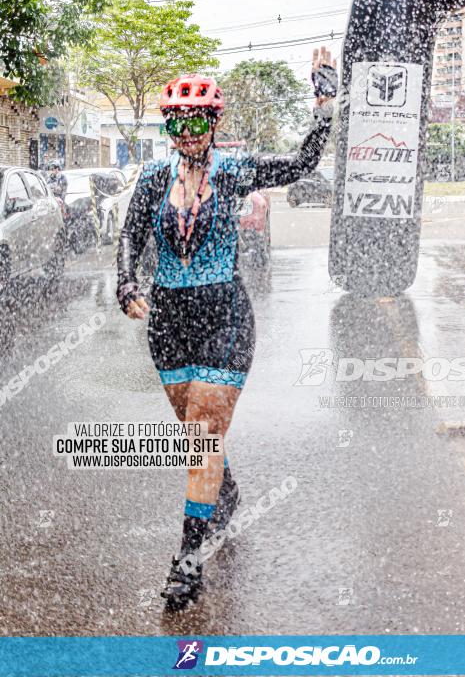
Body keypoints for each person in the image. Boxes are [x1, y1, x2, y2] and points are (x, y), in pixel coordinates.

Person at [117, 47, 338, 611]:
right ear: (167, 126)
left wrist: (324, 104)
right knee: (193, 431)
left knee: (201, 437)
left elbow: (300, 165)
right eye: (176, 122)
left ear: (213, 123)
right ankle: (227, 491)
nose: (186, 131)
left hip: (225, 318)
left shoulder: (235, 171)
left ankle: (187, 562)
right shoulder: (151, 177)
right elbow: (130, 236)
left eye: (196, 121)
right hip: (169, 321)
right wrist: (127, 285)